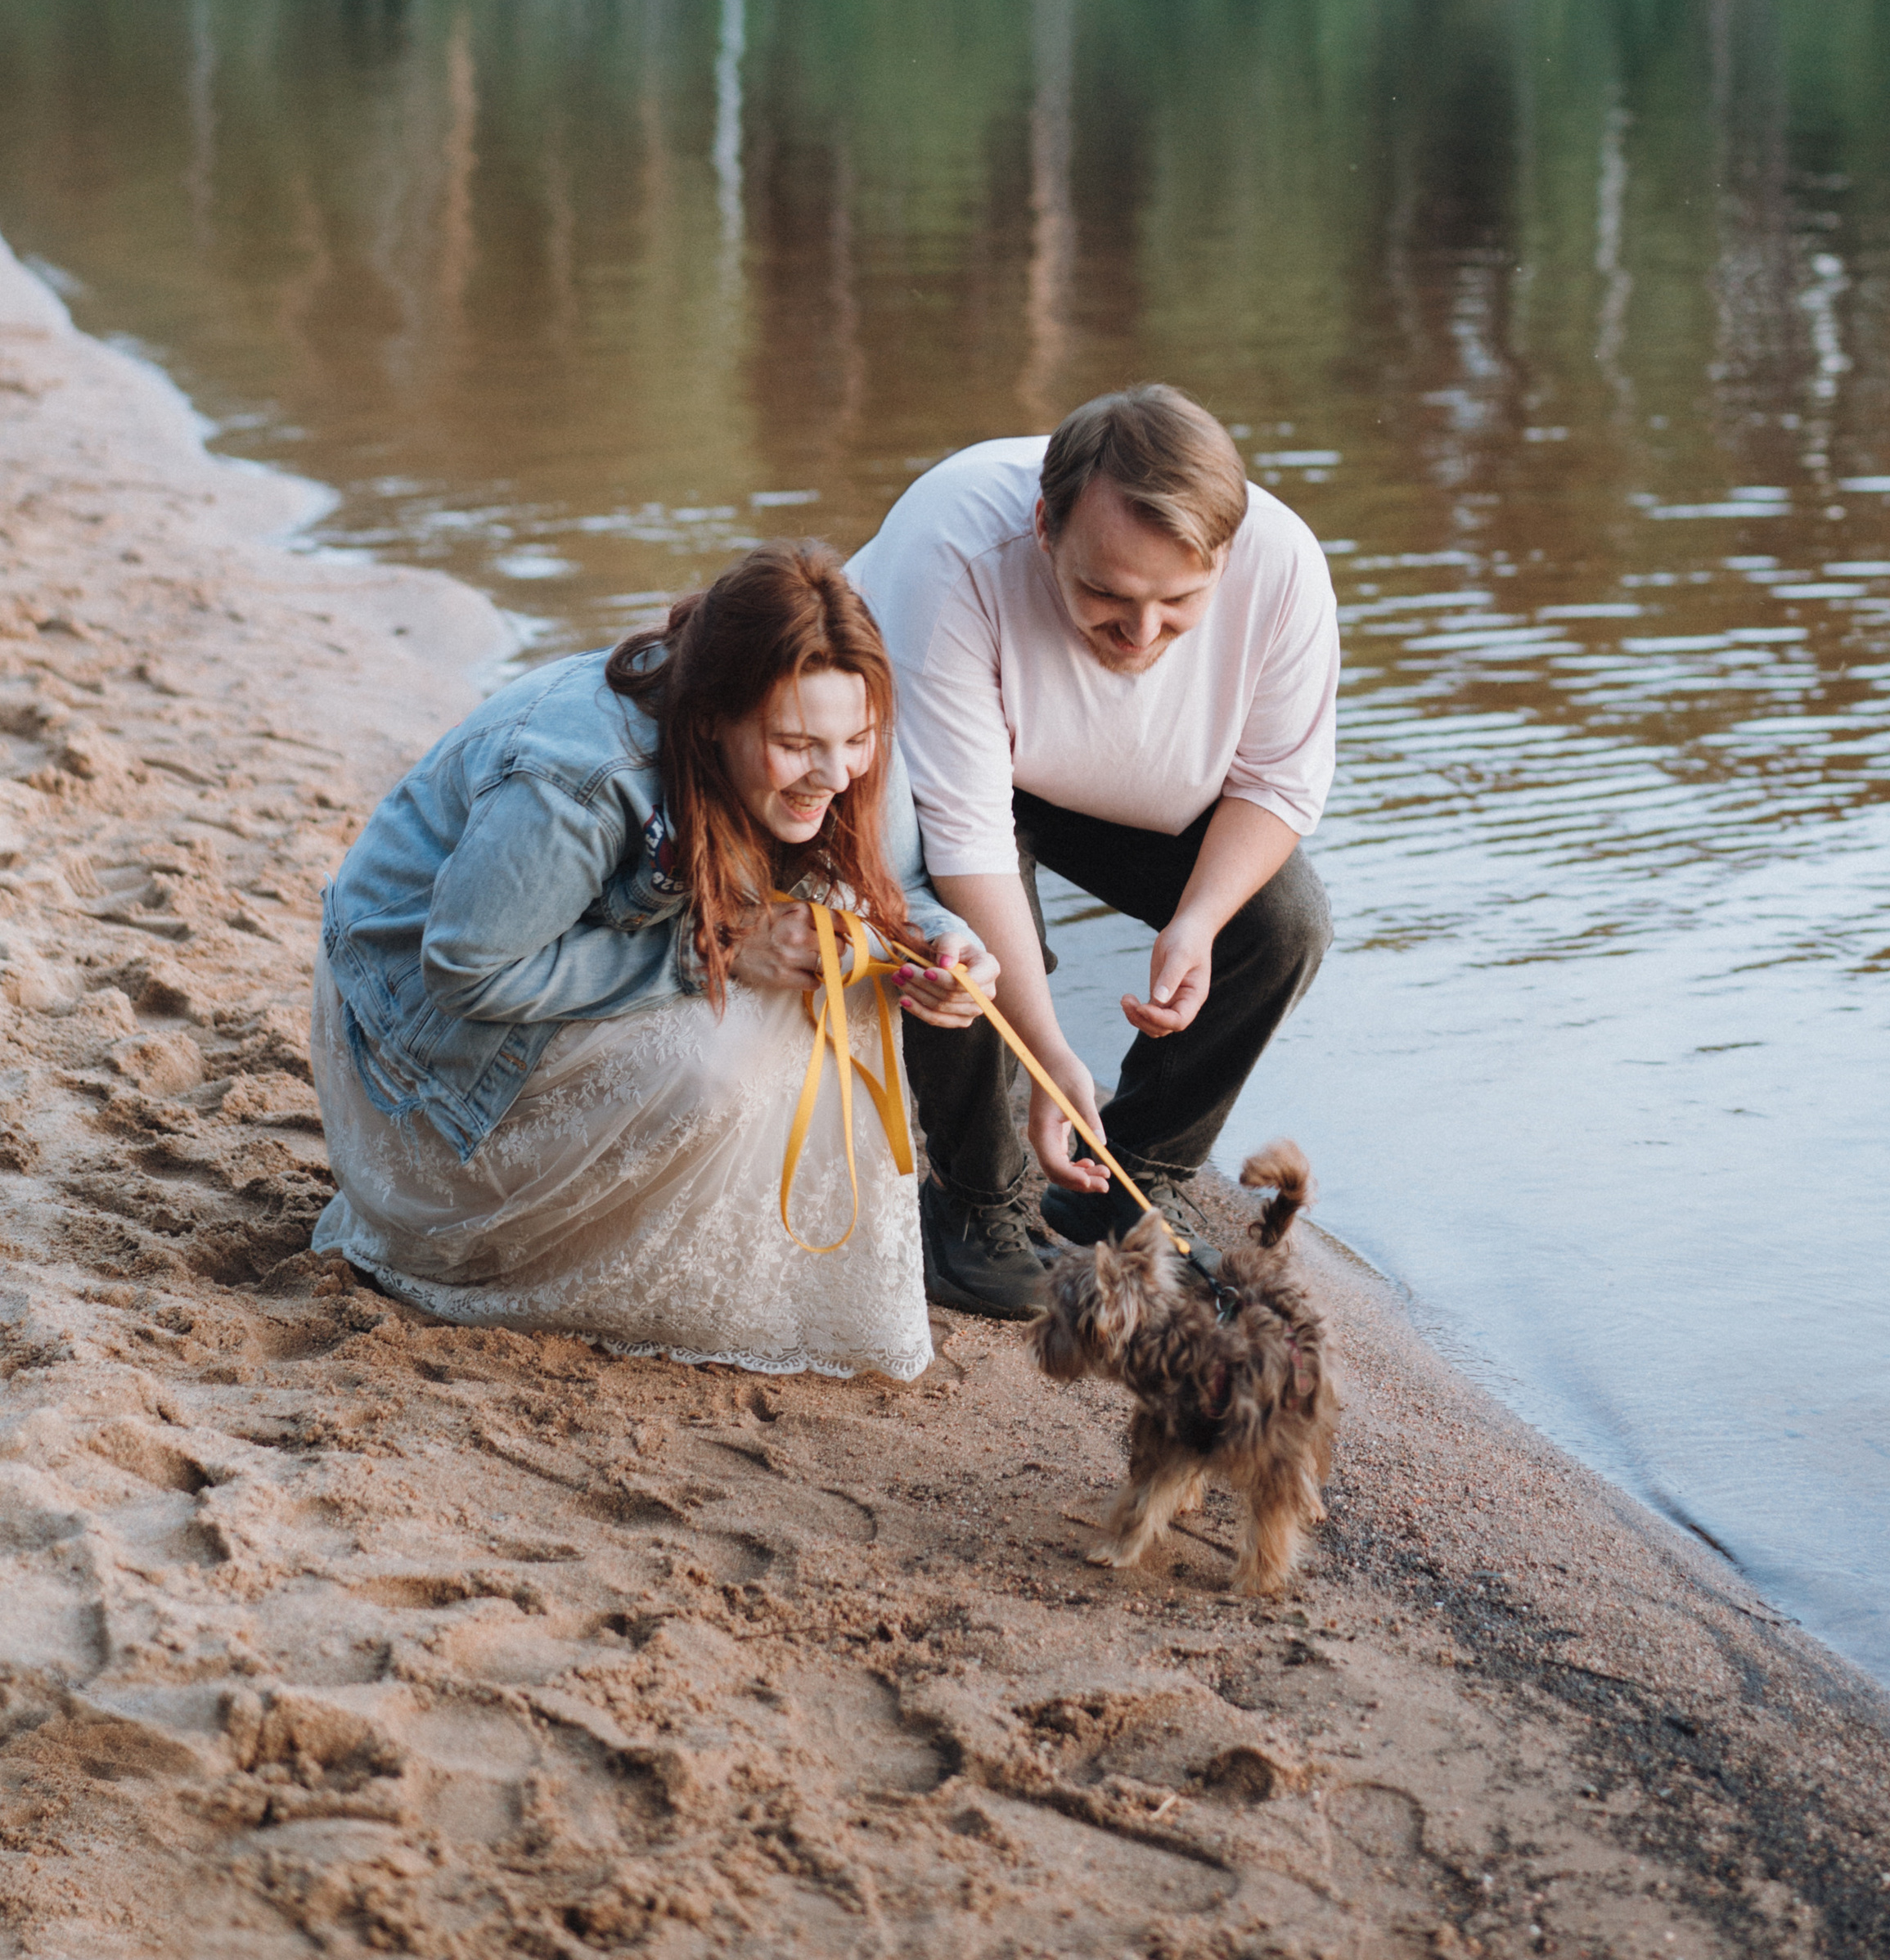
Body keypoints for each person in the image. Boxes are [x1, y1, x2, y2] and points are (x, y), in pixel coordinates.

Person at [310, 542, 994, 1381]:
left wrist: (941, 946)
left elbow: (894, 890)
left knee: (845, 969)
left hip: (506, 995)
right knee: (725, 1056)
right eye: (795, 744)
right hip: (416, 1050)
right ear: (710, 716)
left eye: (857, 739)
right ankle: (527, 1260)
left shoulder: (837, 740)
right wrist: (718, 952)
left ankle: (720, 1253)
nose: (834, 774)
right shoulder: (579, 779)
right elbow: (465, 972)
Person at [848, 384, 1339, 1320]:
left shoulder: (1283, 568)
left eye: (1179, 602)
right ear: (1044, 527)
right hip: (933, 766)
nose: (1140, 634)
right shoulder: (951, 543)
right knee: (964, 947)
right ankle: (973, 1209)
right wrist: (1050, 1054)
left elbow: (1277, 784)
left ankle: (1118, 1186)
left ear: (1224, 558)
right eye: (1104, 594)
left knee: (1282, 924)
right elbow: (966, 838)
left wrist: (1196, 923)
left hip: (1125, 785)